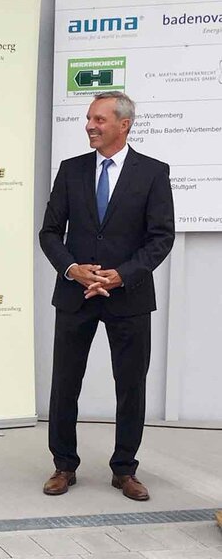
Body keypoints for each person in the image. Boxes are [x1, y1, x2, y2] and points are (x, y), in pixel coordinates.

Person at [39, 92, 174, 501]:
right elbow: (49, 233)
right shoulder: (71, 170)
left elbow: (160, 237)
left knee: (130, 385)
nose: (90, 126)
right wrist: (72, 269)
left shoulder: (153, 173)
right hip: (75, 295)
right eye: (88, 119)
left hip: (128, 297)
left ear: (124, 124)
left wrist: (122, 276)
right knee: (65, 383)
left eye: (99, 119)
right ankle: (64, 466)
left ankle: (125, 470)